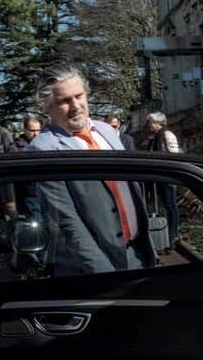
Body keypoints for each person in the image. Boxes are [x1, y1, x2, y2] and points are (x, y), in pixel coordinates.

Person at [28, 66, 154, 275]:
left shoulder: (106, 131)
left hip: (135, 255)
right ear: (47, 107)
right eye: (64, 101)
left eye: (79, 96)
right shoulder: (44, 149)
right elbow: (67, 223)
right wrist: (103, 273)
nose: (76, 105)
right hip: (90, 269)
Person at [145, 111, 181, 243]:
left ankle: (173, 234)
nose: (148, 125)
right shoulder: (153, 137)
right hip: (159, 177)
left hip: (168, 176)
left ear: (156, 123)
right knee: (166, 205)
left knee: (171, 205)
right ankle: (167, 234)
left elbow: (174, 156)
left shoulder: (167, 135)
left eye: (150, 122)